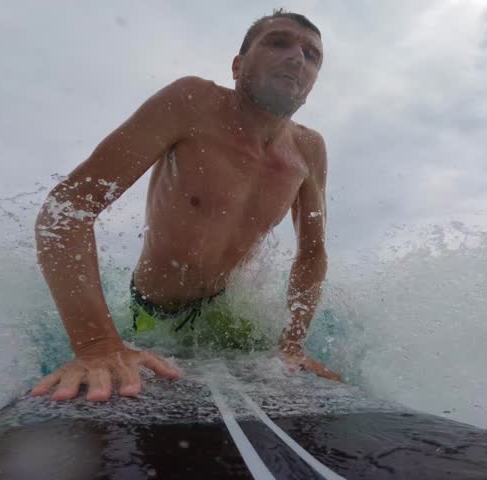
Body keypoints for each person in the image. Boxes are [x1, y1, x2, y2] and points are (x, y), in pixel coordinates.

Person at [31, 9, 341, 403]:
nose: (297, 58)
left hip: (223, 310)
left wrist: (293, 343)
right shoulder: (191, 103)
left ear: (312, 82)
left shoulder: (309, 149)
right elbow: (69, 205)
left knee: (283, 374)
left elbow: (312, 252)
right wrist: (95, 344)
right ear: (238, 64)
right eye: (278, 42)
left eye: (312, 55)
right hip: (153, 315)